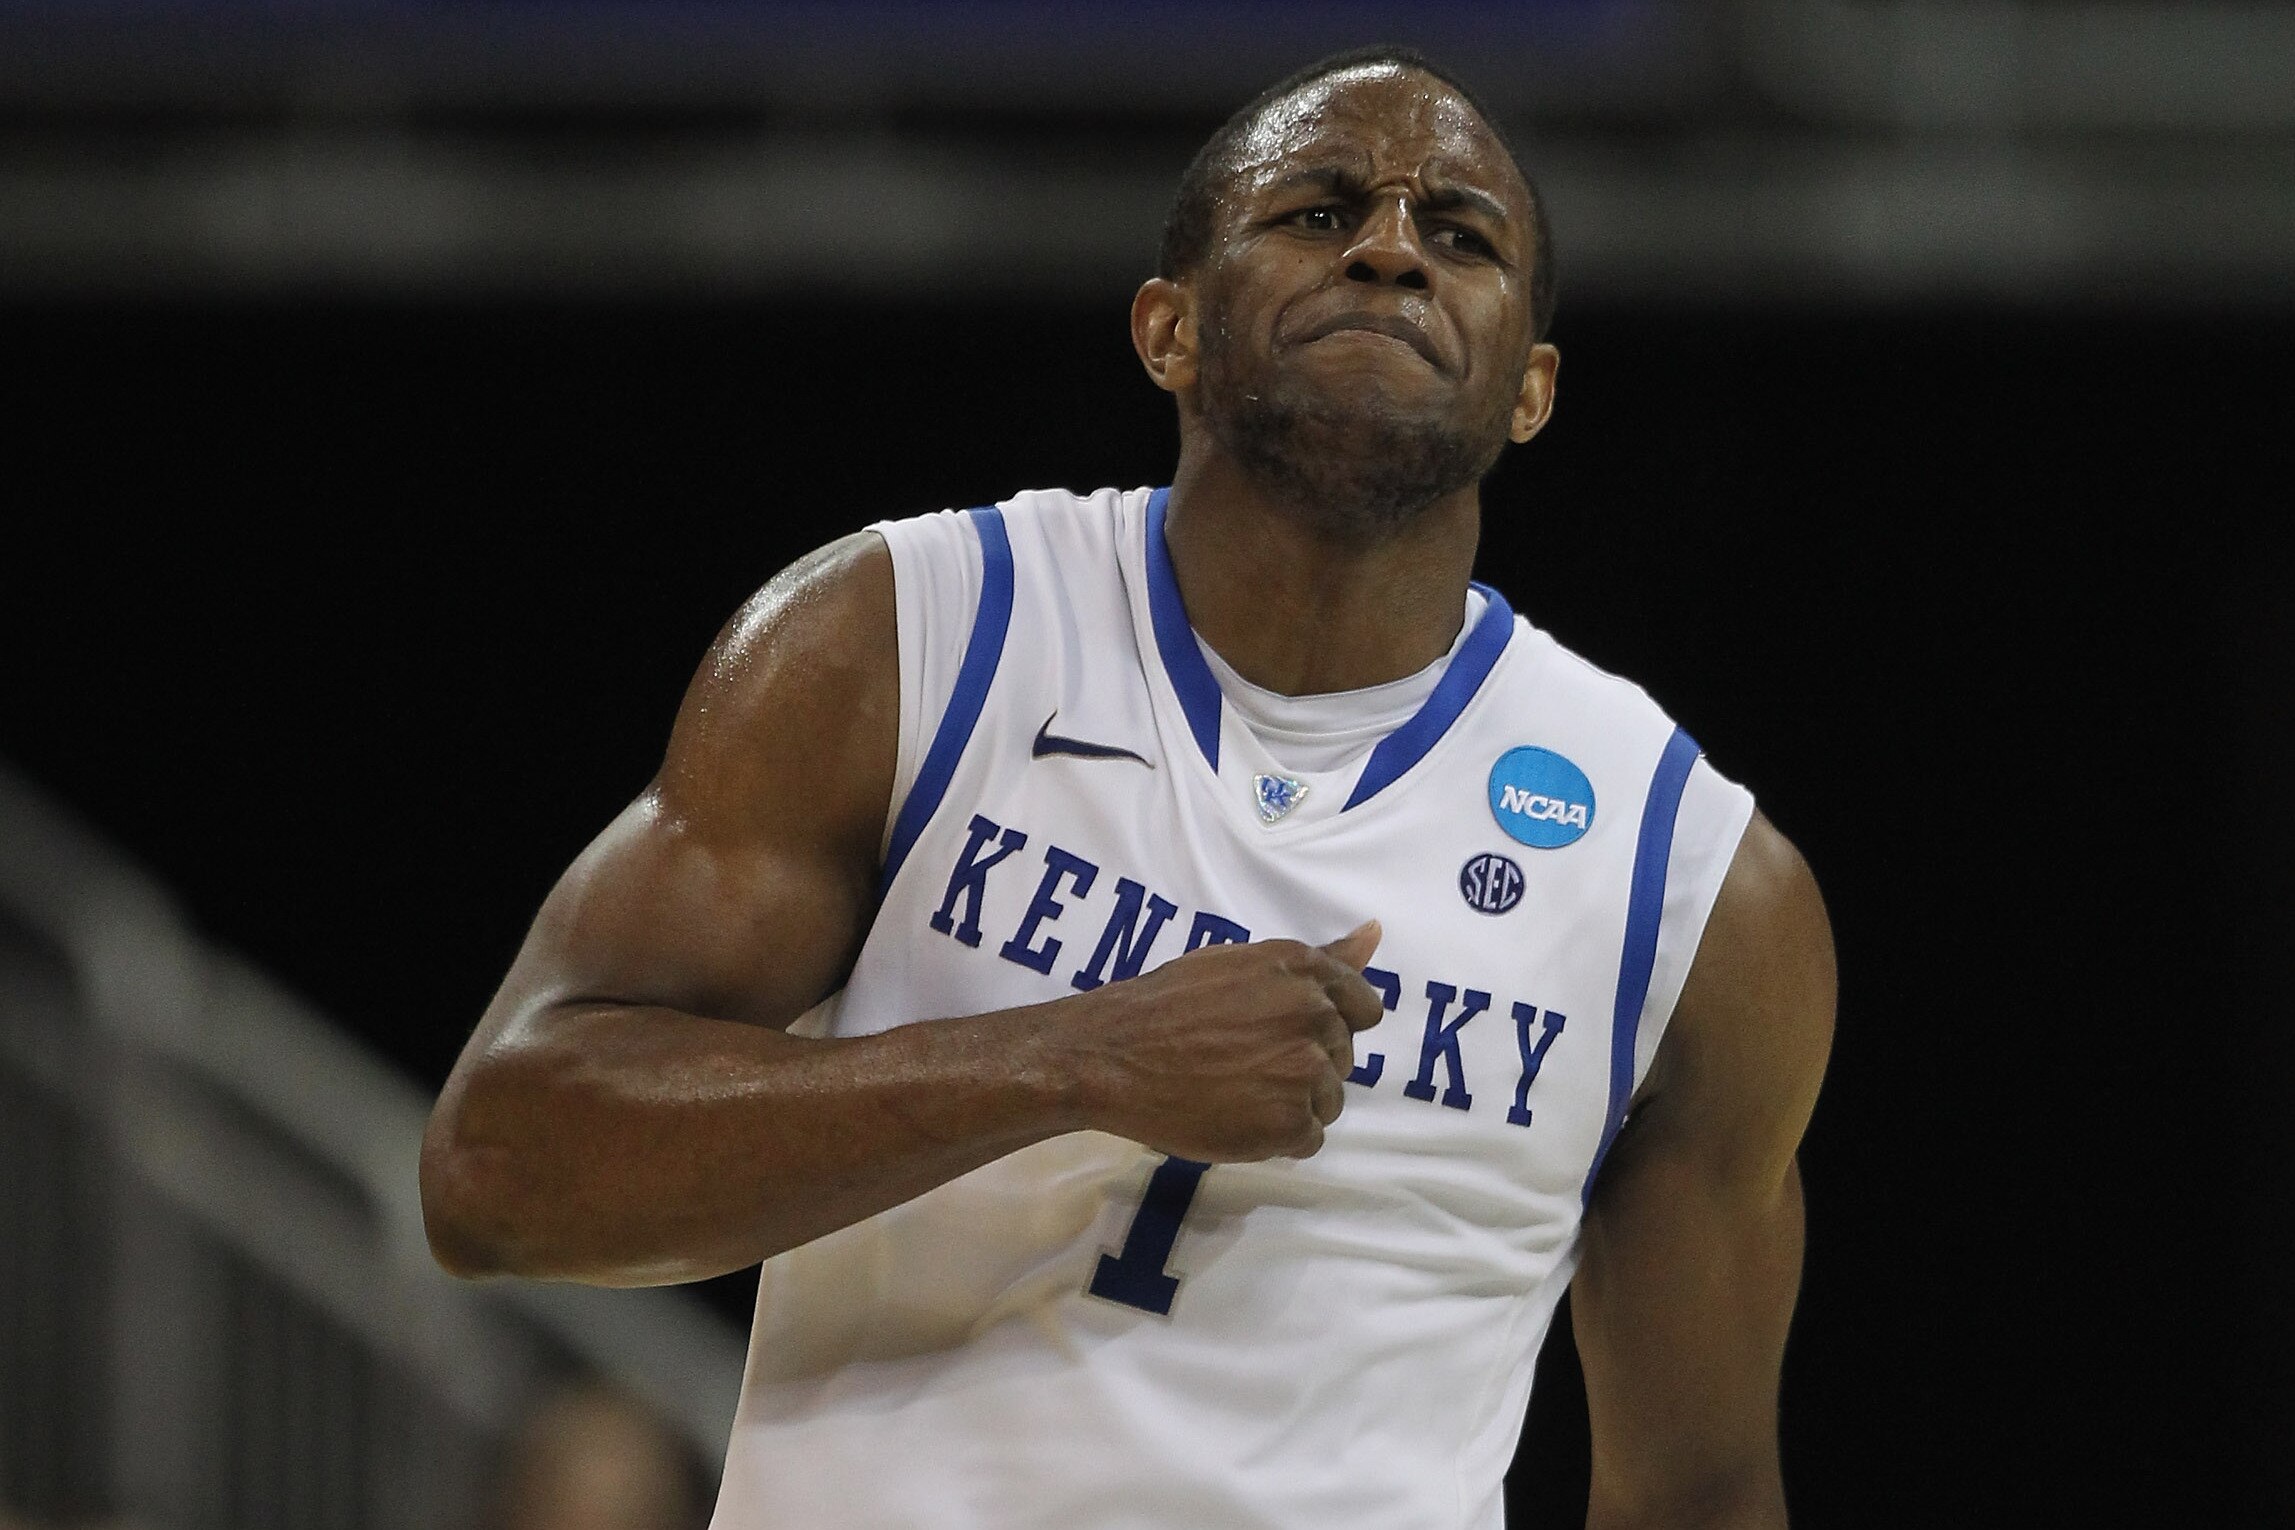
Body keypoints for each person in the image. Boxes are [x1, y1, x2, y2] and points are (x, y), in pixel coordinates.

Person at [420, 45, 1835, 1530]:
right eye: (1318, 212)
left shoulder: (1693, 882)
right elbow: (498, 1168)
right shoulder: (908, 639)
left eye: (1461, 236)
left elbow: (1702, 1493)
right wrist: (1076, 1058)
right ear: (1169, 329)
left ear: (1532, 389)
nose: (1390, 250)